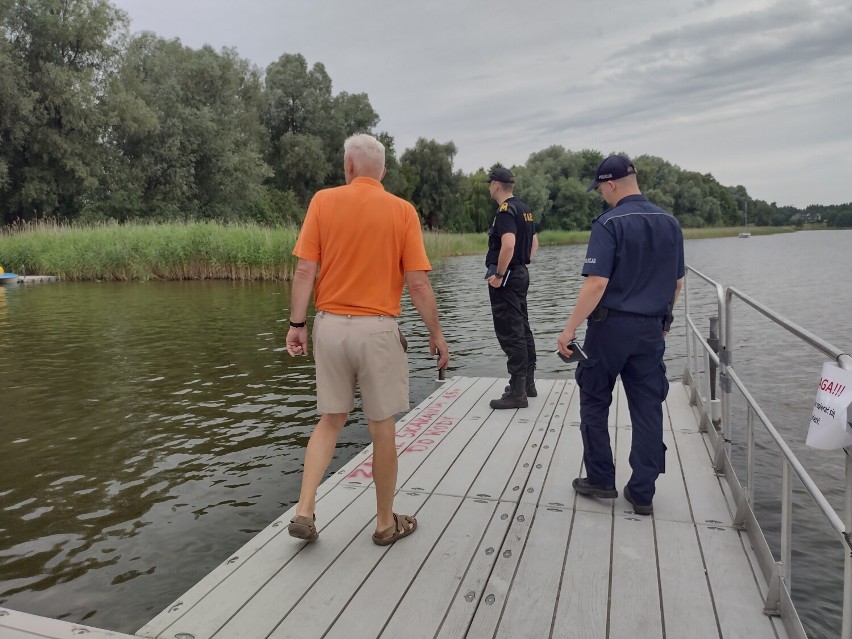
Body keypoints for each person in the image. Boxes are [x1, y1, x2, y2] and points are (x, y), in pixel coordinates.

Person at [285, 133, 450, 545]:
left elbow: (305, 272)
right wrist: (436, 334)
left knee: (330, 420)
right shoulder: (402, 210)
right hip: (377, 330)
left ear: (348, 167)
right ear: (384, 173)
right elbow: (418, 284)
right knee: (382, 429)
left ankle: (305, 510)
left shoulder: (323, 201)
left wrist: (296, 324)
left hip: (330, 327)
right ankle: (383, 524)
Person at [556, 155, 684, 516]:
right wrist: (664, 323)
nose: (601, 196)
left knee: (595, 399)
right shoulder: (670, 223)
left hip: (609, 329)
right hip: (650, 331)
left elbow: (597, 282)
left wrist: (569, 330)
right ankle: (642, 491)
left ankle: (600, 477)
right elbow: (676, 283)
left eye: (600, 189)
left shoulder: (608, 223)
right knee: (647, 407)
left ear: (611, 184)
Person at [485, 167, 539, 410]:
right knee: (522, 327)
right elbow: (534, 244)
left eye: (490, 183)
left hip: (507, 277)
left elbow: (508, 244)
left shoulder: (505, 211)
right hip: (520, 274)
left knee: (510, 331)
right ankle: (527, 384)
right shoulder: (524, 208)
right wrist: (520, 265)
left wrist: (499, 273)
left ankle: (517, 393)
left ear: (496, 185)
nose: (489, 187)